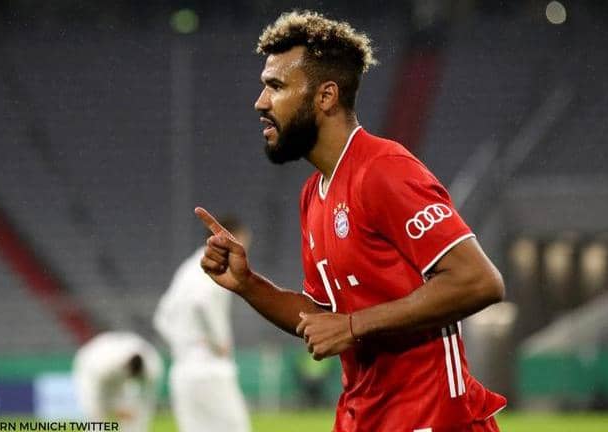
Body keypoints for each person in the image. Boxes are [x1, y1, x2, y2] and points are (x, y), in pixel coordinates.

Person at [194, 10, 507, 432]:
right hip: (362, 417)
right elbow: (323, 318)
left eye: (276, 86)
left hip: (429, 417)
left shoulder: (384, 169)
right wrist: (248, 284)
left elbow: (479, 281)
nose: (261, 102)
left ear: (326, 96)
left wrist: (354, 325)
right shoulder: (313, 194)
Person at [153, 216, 251, 432]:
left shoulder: (187, 268)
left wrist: (183, 345)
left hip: (182, 371)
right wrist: (219, 341)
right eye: (243, 241)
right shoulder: (216, 265)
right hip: (210, 369)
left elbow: (161, 318)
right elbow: (202, 301)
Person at [72, 331, 163, 432]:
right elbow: (96, 396)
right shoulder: (104, 366)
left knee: (132, 414)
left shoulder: (152, 366)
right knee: (95, 416)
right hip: (88, 367)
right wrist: (114, 408)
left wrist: (132, 411)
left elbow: (148, 399)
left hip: (116, 366)